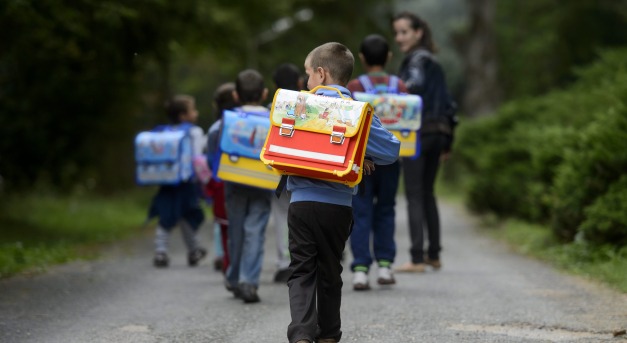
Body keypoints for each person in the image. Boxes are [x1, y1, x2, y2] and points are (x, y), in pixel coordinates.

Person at [287, 42, 400, 343]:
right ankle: (328, 335)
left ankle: (300, 334)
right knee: (329, 271)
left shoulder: (298, 104)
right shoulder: (359, 112)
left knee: (300, 269)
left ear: (321, 74)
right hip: (337, 206)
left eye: (309, 74)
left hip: (299, 202)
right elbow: (391, 150)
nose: (307, 81)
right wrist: (362, 151)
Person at [391, 12, 458, 273]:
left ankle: (417, 258)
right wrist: (448, 141)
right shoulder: (435, 62)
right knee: (428, 192)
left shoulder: (416, 60)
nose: (399, 38)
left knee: (414, 194)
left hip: (419, 134)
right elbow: (451, 106)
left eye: (404, 32)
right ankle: (434, 255)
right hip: (440, 132)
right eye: (397, 33)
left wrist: (394, 91)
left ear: (418, 33)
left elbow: (413, 85)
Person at [345, 34, 408, 290]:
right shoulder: (400, 86)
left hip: (362, 160)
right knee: (386, 209)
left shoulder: (355, 87)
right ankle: (385, 266)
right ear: (389, 57)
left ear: (361, 58)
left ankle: (360, 269)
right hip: (391, 161)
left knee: (360, 212)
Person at [211, 69, 273, 304]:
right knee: (255, 230)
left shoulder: (228, 119)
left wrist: (218, 172)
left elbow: (213, 143)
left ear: (236, 95)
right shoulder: (272, 119)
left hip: (234, 180)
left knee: (235, 231)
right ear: (265, 93)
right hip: (263, 181)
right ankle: (249, 281)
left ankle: (234, 277)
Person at [148, 95, 208, 268]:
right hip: (186, 183)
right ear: (183, 115)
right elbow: (197, 158)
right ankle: (193, 249)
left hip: (167, 182)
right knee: (188, 216)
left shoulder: (163, 131)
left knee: (166, 215)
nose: (196, 113)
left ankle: (161, 251)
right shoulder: (193, 132)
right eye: (193, 110)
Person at [269, 63, 305, 283]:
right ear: (300, 83)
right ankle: (305, 260)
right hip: (305, 171)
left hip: (279, 174)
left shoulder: (271, 108)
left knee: (281, 216)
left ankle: (285, 264)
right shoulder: (312, 107)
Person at [205, 82, 239, 274]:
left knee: (224, 227)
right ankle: (240, 267)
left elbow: (211, 161)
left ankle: (226, 262)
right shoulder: (247, 122)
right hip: (246, 181)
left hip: (221, 184)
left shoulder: (215, 127)